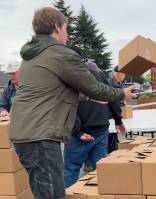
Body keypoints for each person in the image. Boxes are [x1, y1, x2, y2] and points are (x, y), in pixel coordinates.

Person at [9, 7, 135, 199]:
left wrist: (89, 97)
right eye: (66, 29)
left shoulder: (31, 57)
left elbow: (54, 91)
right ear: (57, 27)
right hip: (40, 136)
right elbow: (93, 86)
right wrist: (121, 94)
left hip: (25, 134)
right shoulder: (59, 53)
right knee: (53, 194)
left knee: (44, 192)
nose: (67, 35)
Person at [64, 61, 126, 187]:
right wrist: (118, 120)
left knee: (71, 168)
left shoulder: (75, 78)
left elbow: (68, 106)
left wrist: (77, 131)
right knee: (100, 171)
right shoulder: (103, 77)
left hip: (81, 133)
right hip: (101, 130)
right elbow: (112, 98)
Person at [107, 65, 127, 153]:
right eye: (124, 74)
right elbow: (113, 102)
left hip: (114, 117)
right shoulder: (109, 83)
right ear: (118, 73)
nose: (125, 76)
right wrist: (118, 120)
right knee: (109, 142)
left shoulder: (118, 83)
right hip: (109, 118)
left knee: (113, 141)